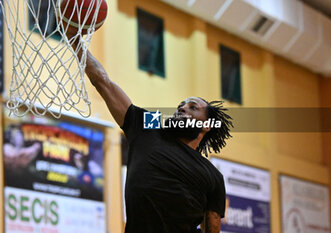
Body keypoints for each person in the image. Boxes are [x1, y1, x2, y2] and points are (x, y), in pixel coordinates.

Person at [73, 40, 233, 233]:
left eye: (193, 107)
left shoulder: (213, 176)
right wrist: (76, 41)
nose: (182, 108)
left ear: (206, 125)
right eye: (181, 105)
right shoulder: (150, 126)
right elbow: (103, 82)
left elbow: (212, 229)